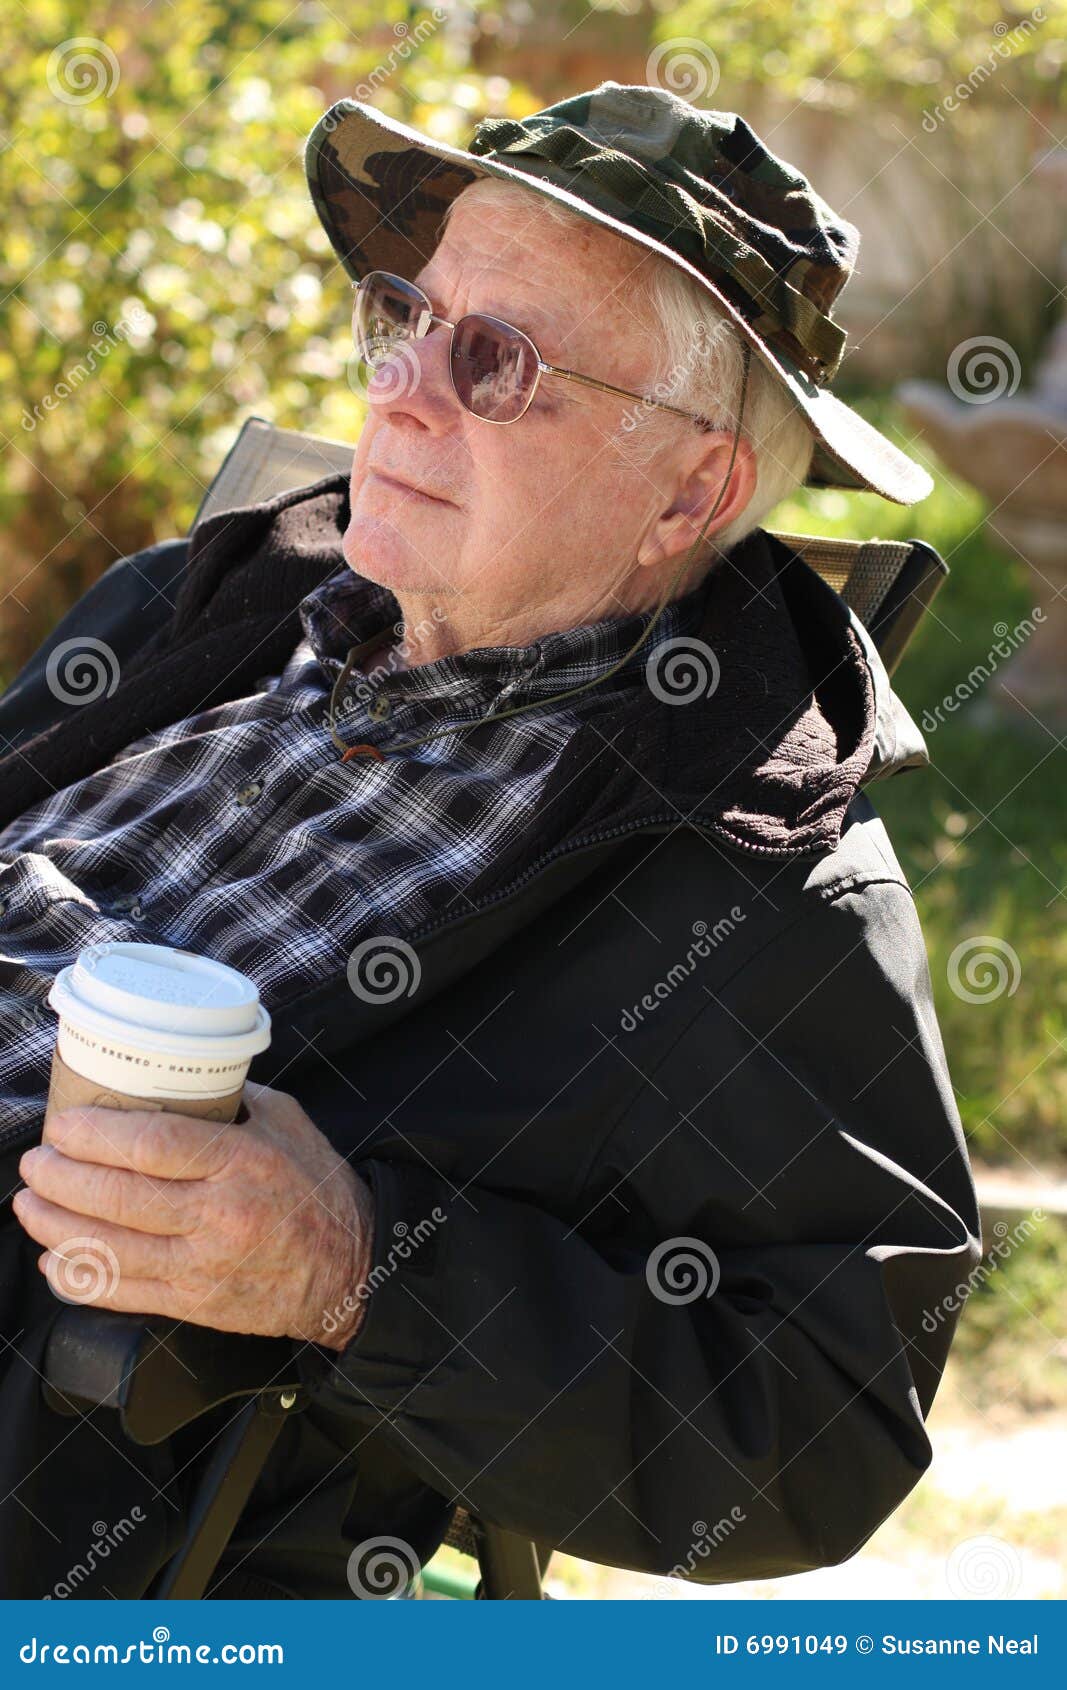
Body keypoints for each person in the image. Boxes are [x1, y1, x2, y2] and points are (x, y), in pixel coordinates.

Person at [0, 81, 979, 1599]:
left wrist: (356, 1270)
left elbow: (829, 1415)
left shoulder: (750, 881)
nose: (398, 385)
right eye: (406, 312)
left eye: (496, 359)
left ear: (689, 490)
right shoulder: (205, 604)